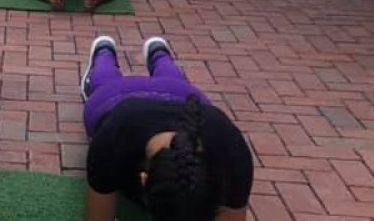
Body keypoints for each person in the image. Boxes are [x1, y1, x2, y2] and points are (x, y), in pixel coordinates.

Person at [80, 35, 253, 221]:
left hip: (182, 94)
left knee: (175, 81)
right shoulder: (112, 138)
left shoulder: (231, 153)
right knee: (103, 81)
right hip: (113, 98)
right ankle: (104, 51)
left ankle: (159, 53)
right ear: (143, 180)